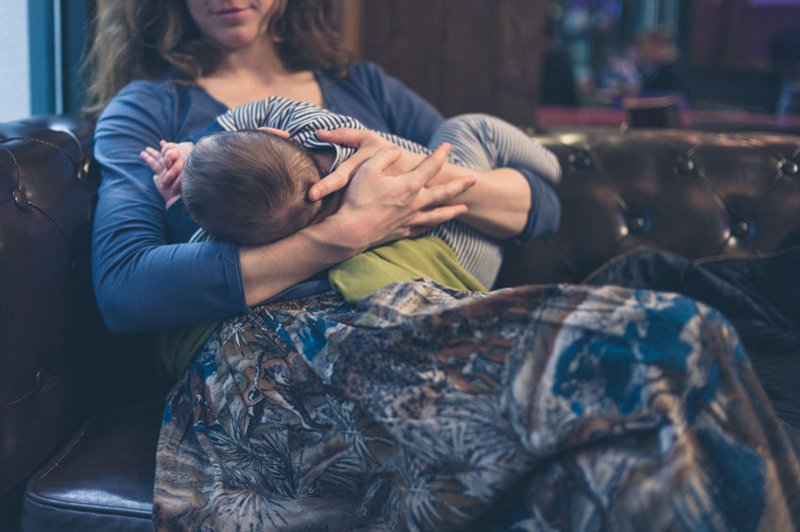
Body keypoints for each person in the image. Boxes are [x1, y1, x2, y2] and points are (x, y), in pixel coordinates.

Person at [87, 1, 800, 531]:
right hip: (269, 363)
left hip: (418, 315)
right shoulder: (153, 110)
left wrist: (420, 181)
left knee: (621, 460)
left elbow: (541, 205)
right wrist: (352, 227)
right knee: (675, 338)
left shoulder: (363, 91)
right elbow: (124, 288)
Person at [140, 96, 562, 291]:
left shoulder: (263, 235)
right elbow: (267, 109)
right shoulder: (333, 139)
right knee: (471, 128)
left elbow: (191, 242)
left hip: (458, 266)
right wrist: (196, 148)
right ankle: (558, 162)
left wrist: (176, 202)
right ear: (275, 133)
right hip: (455, 239)